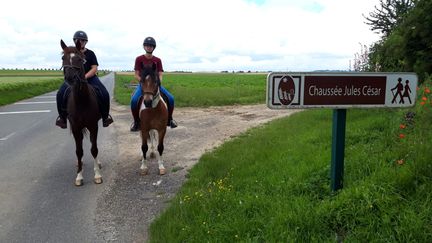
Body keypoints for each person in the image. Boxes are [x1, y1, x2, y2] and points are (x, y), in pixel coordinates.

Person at [56, 30, 113, 129]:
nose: (81, 41)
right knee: (60, 93)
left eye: (83, 40)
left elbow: (94, 68)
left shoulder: (90, 53)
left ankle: (105, 117)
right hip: (73, 80)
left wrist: (84, 77)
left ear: (86, 42)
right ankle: (62, 118)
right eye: (79, 40)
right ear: (75, 41)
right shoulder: (70, 53)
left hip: (90, 78)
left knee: (104, 93)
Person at [130, 36, 177, 132]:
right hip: (143, 85)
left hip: (155, 85)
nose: (149, 47)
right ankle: (136, 122)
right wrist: (143, 82)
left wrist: (158, 82)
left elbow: (160, 74)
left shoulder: (158, 60)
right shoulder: (139, 59)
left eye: (151, 46)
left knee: (171, 98)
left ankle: (170, 120)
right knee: (134, 100)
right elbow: (136, 74)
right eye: (147, 46)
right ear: (144, 47)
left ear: (153, 47)